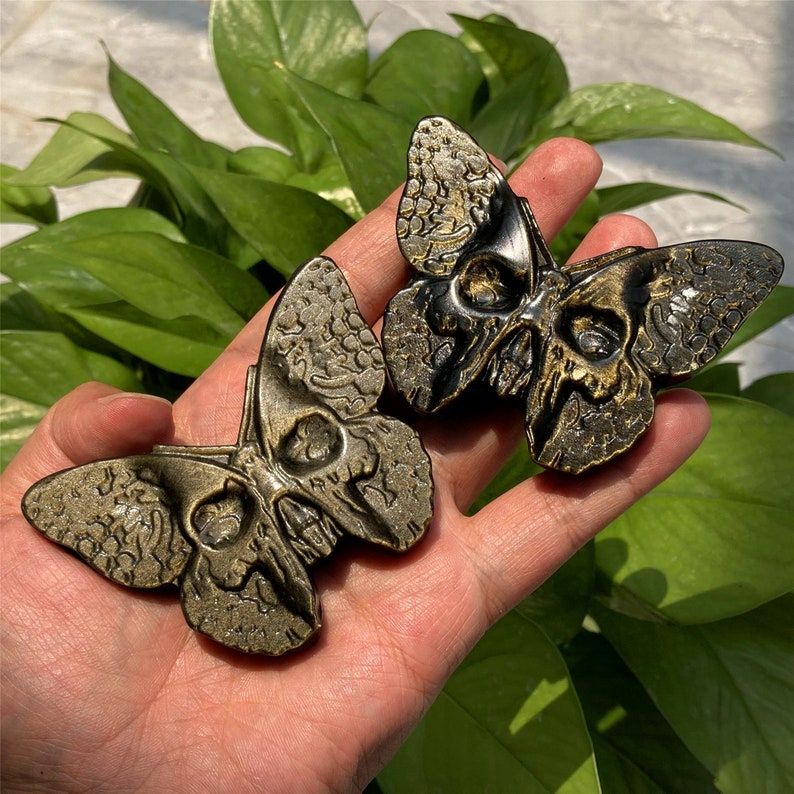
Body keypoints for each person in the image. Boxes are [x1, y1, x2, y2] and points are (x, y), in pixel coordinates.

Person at [0, 138, 710, 792]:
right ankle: (310, 465)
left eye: (301, 441)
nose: (278, 495)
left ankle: (274, 492)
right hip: (355, 467)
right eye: (219, 513)